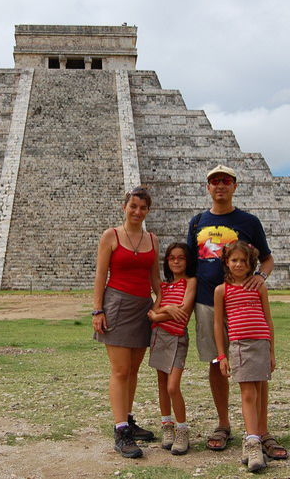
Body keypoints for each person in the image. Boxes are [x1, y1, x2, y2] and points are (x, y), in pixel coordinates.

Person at [186, 164, 287, 460]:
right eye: (215, 181)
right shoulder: (196, 222)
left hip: (244, 303)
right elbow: (191, 265)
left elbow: (267, 260)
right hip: (207, 300)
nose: (220, 186)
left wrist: (262, 278)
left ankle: (262, 431)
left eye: (226, 181)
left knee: (256, 369)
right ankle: (223, 424)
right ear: (208, 187)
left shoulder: (249, 221)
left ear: (234, 186)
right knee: (218, 362)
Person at [92, 186, 162, 459]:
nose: (137, 211)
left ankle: (128, 419)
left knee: (134, 369)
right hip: (117, 305)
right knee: (120, 370)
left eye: (143, 208)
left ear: (148, 211)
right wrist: (97, 310)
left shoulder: (153, 239)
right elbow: (100, 275)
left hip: (143, 306)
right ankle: (121, 431)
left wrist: (160, 305)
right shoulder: (111, 236)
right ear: (125, 207)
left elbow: (155, 279)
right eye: (133, 206)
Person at [213, 241, 276, 472]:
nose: (239, 264)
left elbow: (268, 321)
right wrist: (221, 355)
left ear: (251, 264)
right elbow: (218, 325)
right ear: (227, 263)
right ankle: (252, 442)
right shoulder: (221, 290)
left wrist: (271, 351)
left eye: (243, 260)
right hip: (239, 346)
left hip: (260, 343)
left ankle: (256, 436)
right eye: (234, 260)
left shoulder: (259, 287)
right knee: (248, 393)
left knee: (258, 392)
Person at [147, 242, 197, 455]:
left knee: (172, 386)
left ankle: (182, 429)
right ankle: (167, 425)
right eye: (171, 258)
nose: (176, 261)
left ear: (187, 261)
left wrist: (159, 314)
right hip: (159, 336)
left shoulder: (191, 282)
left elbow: (184, 310)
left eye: (181, 257)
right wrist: (166, 309)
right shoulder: (164, 287)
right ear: (167, 262)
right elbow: (153, 312)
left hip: (176, 337)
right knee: (161, 383)